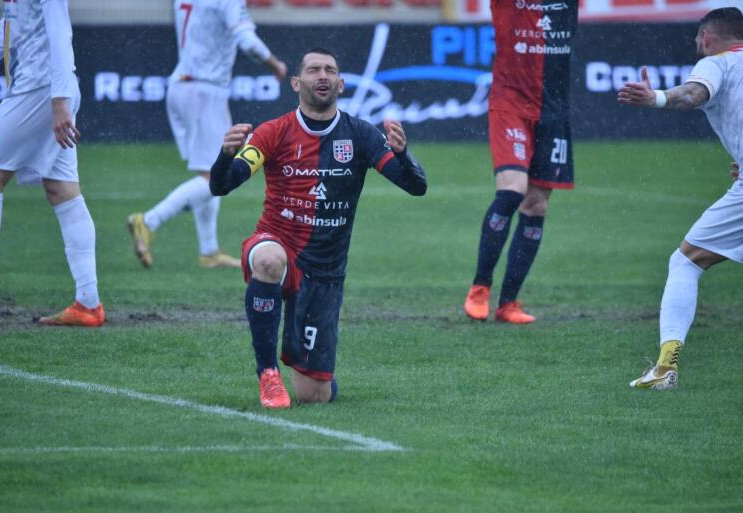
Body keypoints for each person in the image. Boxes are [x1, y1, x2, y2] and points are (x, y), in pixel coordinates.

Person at [210, 48, 427, 408]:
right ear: (296, 83)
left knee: (314, 396)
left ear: (341, 84)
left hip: (325, 271)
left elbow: (415, 187)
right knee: (268, 261)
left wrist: (403, 155)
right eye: (313, 70)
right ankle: (268, 374)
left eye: (330, 70)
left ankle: (317, 373)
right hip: (278, 242)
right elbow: (222, 185)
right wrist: (225, 156)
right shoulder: (273, 132)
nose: (322, 75)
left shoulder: (362, 135)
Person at [618, 7, 743, 390]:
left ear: (706, 36)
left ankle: (665, 367)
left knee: (686, 262)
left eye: (697, 38)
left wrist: (655, 98)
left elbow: (691, 94)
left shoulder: (716, 63)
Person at [127, 0, 287, 269]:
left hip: (181, 84)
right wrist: (275, 64)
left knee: (209, 170)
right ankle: (149, 221)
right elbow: (247, 41)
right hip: (206, 89)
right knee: (215, 175)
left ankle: (209, 252)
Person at [0, 0, 104, 326]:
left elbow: (60, 32)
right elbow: (5, 34)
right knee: (62, 190)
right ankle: (88, 303)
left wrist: (59, 100)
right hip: (48, 89)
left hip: (39, 90)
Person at [463, 0, 578, 324]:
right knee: (512, 192)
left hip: (553, 112)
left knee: (537, 205)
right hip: (510, 105)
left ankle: (508, 303)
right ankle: (480, 287)